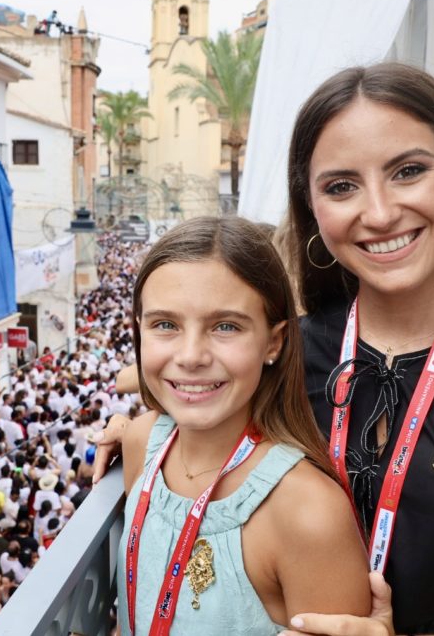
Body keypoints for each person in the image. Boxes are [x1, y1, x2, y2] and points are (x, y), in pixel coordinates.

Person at [94, 64, 434, 635]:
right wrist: (145, 425)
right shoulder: (286, 357)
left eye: (408, 171)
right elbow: (199, 389)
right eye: (341, 186)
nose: (379, 213)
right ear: (312, 209)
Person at [117, 216, 370, 634]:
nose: (192, 355)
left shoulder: (308, 513)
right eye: (166, 325)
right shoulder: (141, 442)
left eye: (225, 327)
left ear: (274, 342)